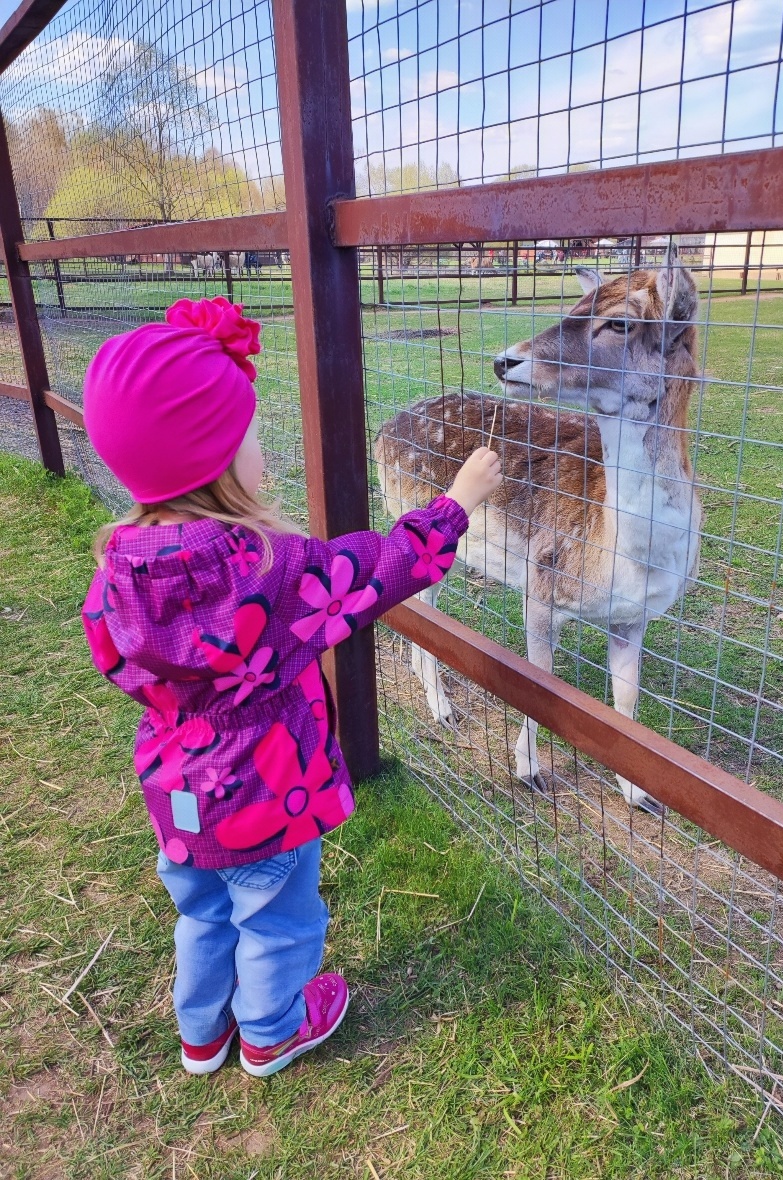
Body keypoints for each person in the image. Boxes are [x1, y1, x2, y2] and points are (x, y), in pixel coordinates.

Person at [81, 295, 502, 1077]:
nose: (261, 451)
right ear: (214, 461)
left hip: (175, 792)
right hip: (266, 796)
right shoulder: (267, 572)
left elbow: (117, 662)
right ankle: (272, 1029)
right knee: (280, 920)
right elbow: (376, 570)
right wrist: (456, 503)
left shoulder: (114, 575)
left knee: (201, 911)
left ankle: (202, 1033)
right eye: (248, 436)